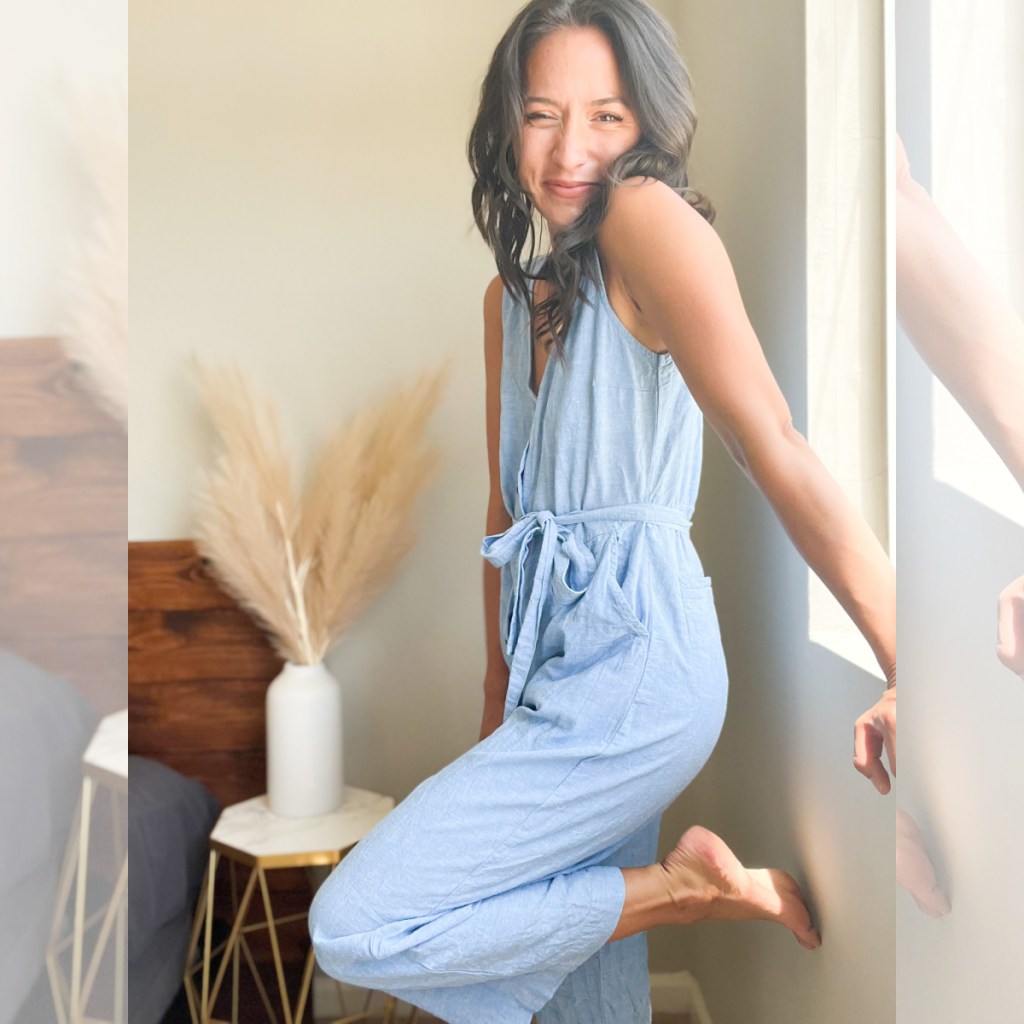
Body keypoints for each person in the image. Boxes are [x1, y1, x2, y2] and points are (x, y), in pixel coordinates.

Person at [310, 3, 895, 1021]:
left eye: (606, 115)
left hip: (640, 670)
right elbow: (500, 521)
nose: (570, 148)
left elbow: (773, 442)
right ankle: (681, 894)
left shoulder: (644, 221)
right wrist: (494, 719)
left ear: (649, 123)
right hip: (553, 675)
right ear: (506, 125)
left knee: (355, 919)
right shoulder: (508, 302)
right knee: (584, 997)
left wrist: (906, 653)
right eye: (541, 114)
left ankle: (681, 891)